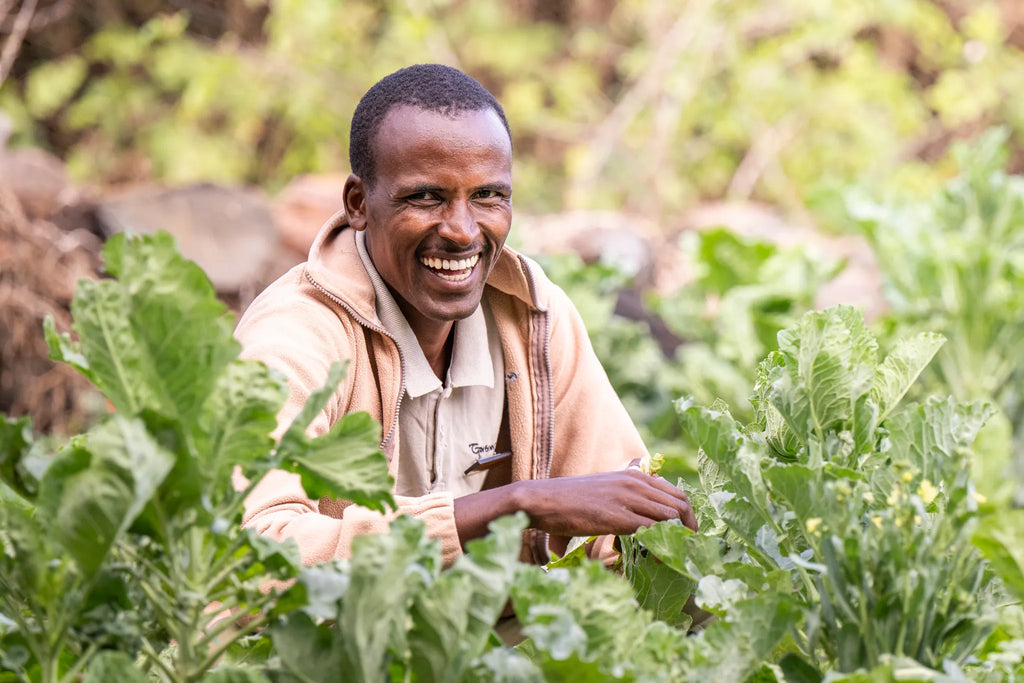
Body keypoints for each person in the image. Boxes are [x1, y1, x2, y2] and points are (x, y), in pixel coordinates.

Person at [234, 63, 696, 570]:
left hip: (501, 645)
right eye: (426, 196)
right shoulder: (295, 335)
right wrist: (513, 504)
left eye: (487, 196)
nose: (461, 230)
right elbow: (254, 553)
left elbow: (613, 517)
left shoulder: (534, 319)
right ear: (359, 204)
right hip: (336, 645)